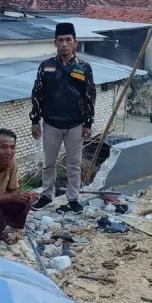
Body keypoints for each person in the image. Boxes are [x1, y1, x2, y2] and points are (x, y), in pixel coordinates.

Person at [30, 22, 96, 213]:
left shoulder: (84, 67)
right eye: (60, 40)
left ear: (75, 43)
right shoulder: (46, 66)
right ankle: (46, 195)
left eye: (68, 40)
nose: (64, 44)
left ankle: (73, 199)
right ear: (55, 42)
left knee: (74, 164)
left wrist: (88, 123)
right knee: (48, 163)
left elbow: (90, 96)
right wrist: (35, 120)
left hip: (76, 125)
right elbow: (37, 94)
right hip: (51, 124)